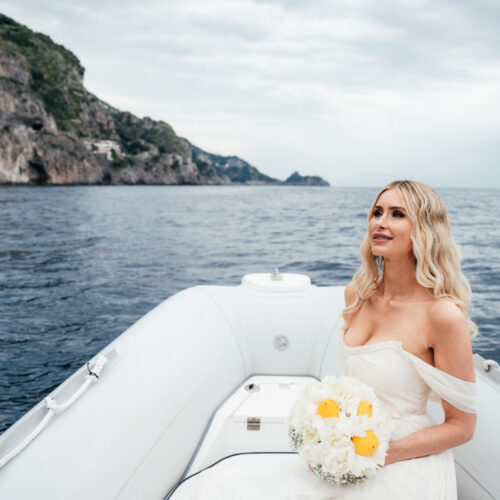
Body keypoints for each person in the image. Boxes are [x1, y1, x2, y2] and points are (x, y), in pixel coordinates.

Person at [337, 179, 477, 499]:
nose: (380, 223)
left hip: (404, 455)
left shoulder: (441, 316)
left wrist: (384, 455)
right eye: (377, 212)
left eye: (397, 214)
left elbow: (462, 426)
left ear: (425, 229)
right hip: (353, 446)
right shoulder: (355, 296)